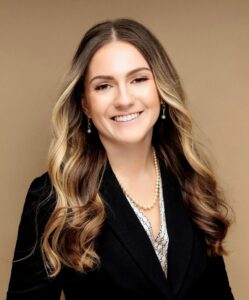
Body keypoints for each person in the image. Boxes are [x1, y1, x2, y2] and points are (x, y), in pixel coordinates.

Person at [7, 18, 234, 300]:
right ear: (85, 104)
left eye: (138, 79)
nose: (124, 99)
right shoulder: (52, 198)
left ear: (160, 91)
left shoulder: (191, 180)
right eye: (104, 86)